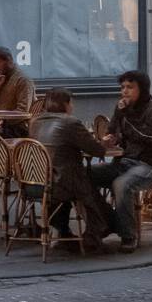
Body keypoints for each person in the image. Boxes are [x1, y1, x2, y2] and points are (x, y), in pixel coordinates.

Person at [91, 70, 152, 253]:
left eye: (130, 87)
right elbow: (113, 132)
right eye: (122, 87)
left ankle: (128, 236)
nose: (125, 91)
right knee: (83, 175)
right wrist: (110, 139)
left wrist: (127, 115)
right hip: (124, 162)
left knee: (121, 184)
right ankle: (107, 222)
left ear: (142, 89)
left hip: (149, 165)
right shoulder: (122, 108)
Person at [28, 88, 115, 251]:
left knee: (80, 182)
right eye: (71, 103)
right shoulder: (70, 123)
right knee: (88, 189)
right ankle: (94, 235)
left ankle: (63, 232)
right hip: (61, 183)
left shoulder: (35, 121)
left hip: (35, 182)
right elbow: (96, 150)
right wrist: (104, 142)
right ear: (67, 104)